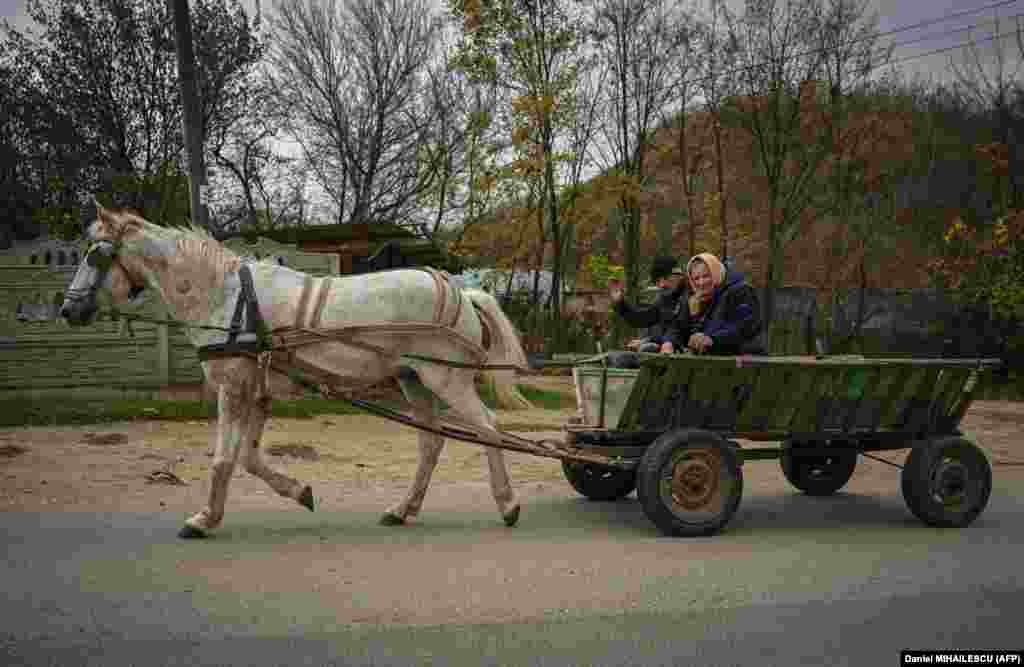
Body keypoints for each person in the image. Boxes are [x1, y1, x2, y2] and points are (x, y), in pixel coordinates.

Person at [663, 252, 763, 356]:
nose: (701, 283)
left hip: (743, 359)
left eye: (706, 276)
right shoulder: (693, 297)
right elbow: (677, 327)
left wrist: (712, 339)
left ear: (715, 273)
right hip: (708, 361)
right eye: (696, 278)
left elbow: (744, 327)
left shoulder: (740, 291)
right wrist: (669, 342)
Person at [606, 256, 687, 367]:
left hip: (680, 354)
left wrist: (649, 341)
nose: (661, 285)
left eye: (664, 279)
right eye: (657, 282)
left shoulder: (690, 296)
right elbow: (641, 319)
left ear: (678, 275)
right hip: (663, 351)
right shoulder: (665, 299)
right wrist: (620, 303)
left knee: (640, 354)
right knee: (613, 357)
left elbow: (678, 328)